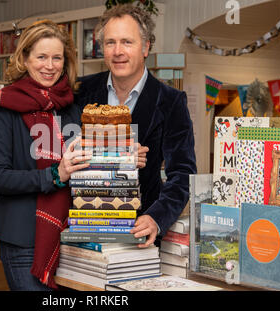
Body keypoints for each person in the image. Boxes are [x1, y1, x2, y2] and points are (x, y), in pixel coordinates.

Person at [0, 20, 91, 291]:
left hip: (71, 237)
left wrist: (120, 156)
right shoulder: (4, 108)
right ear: (25, 59)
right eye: (41, 57)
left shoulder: (72, 109)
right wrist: (57, 174)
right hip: (23, 241)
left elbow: (87, 163)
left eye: (57, 58)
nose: (50, 65)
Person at [74, 4, 197, 248]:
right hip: (84, 226)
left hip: (139, 231)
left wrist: (156, 218)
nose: (118, 51)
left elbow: (183, 174)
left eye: (127, 42)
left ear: (146, 47)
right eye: (110, 43)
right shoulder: (79, 91)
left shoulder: (171, 101)